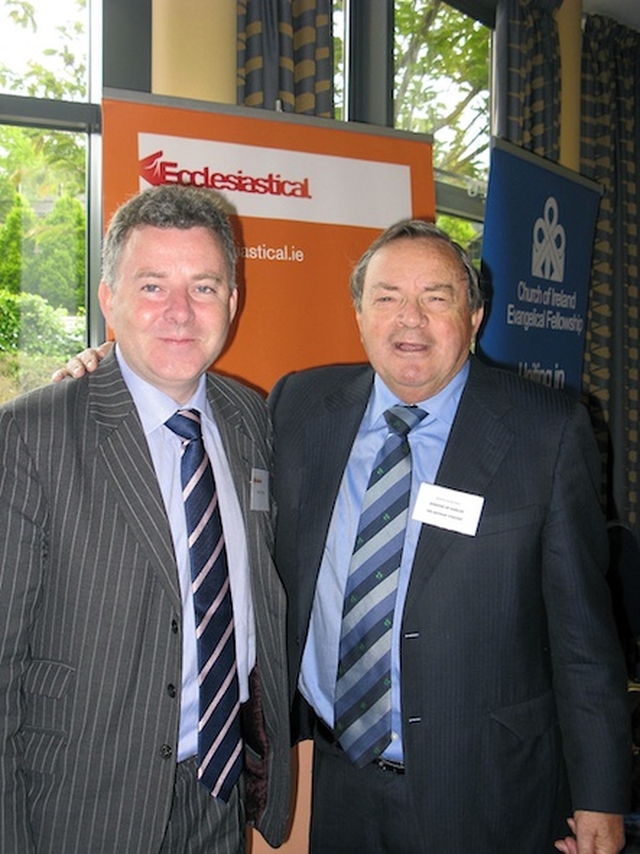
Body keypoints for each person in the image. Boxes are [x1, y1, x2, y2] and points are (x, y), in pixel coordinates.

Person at [54, 219, 631, 854]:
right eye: (386, 298)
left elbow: (584, 640)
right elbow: (184, 410)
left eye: (436, 297)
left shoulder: (547, 432)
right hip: (340, 779)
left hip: (490, 787)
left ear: (474, 316)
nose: (409, 320)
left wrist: (600, 796)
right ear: (359, 314)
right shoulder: (301, 405)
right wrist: (111, 368)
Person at [0, 184, 290, 853]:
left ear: (234, 303)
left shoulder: (252, 418)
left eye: (206, 287)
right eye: (153, 286)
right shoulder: (32, 435)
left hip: (217, 797)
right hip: (80, 806)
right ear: (109, 300)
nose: (181, 313)